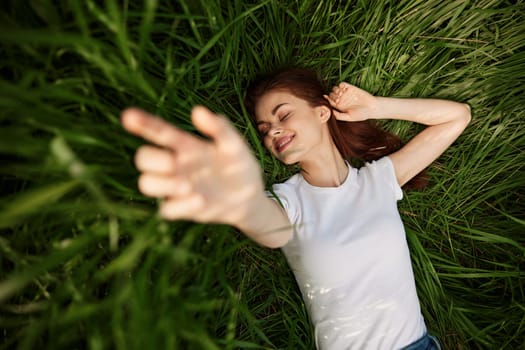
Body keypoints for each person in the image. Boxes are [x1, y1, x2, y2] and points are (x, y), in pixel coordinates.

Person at [121, 68, 471, 349]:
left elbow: (456, 117)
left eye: (283, 114)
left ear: (322, 112)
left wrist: (375, 106)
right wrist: (242, 202)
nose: (273, 130)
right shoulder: (287, 201)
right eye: (264, 129)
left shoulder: (378, 181)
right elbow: (269, 228)